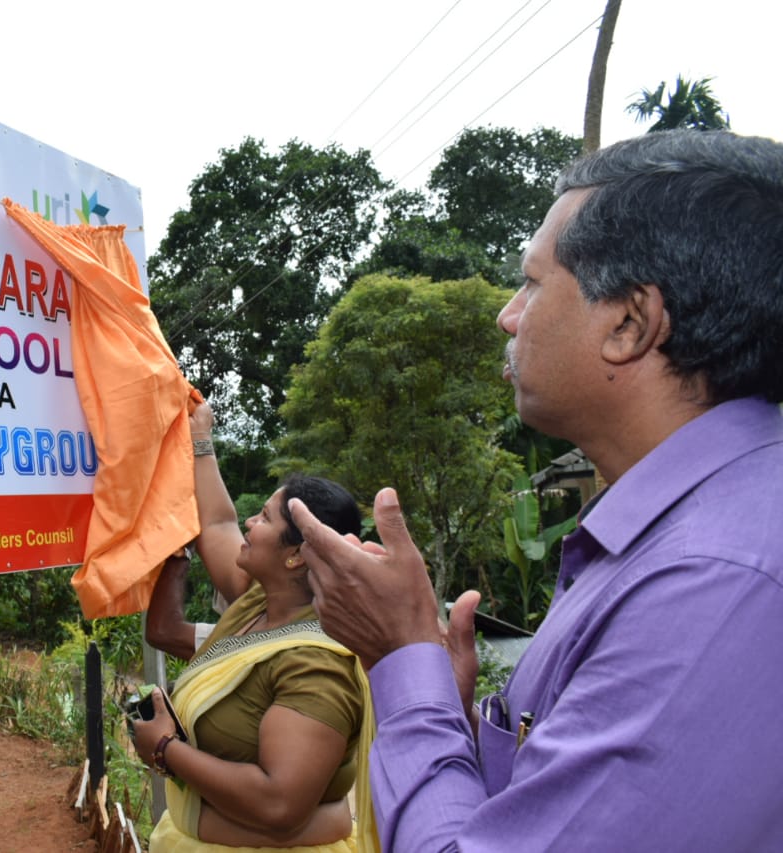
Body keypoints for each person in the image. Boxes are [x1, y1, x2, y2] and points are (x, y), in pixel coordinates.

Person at [288, 129, 783, 851]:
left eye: (531, 282)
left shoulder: (716, 581)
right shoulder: (674, 536)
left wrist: (403, 659)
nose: (508, 315)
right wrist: (456, 721)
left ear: (629, 322)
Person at [131, 402, 379, 852]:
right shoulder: (259, 603)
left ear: (296, 555)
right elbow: (218, 521)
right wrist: (200, 437)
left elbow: (279, 804)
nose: (249, 521)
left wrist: (166, 749)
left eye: (264, 517)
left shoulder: (317, 664)